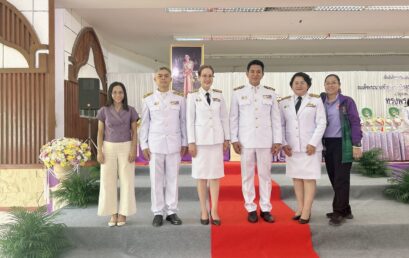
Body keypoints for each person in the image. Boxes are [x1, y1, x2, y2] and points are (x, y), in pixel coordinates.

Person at [230, 59, 282, 223]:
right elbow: (233, 118)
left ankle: (265, 208)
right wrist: (234, 139)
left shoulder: (270, 93)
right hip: (246, 141)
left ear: (263, 74)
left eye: (258, 71)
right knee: (247, 175)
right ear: (247, 74)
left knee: (266, 175)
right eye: (252, 71)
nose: (255, 74)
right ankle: (251, 207)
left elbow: (276, 118)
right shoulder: (238, 93)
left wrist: (277, 140)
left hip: (265, 140)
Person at [139, 67, 188, 227]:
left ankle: (172, 211)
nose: (163, 78)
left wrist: (184, 142)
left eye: (166, 76)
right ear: (155, 79)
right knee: (156, 179)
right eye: (160, 76)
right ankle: (158, 212)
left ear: (171, 79)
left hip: (174, 144)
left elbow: (183, 122)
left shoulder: (179, 99)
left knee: (173, 179)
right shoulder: (148, 99)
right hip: (155, 145)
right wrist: (144, 144)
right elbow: (145, 124)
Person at [279, 72, 327, 224]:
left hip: (309, 147)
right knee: (297, 178)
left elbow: (321, 123)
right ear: (291, 85)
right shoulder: (284, 102)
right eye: (296, 82)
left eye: (302, 82)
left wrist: (313, 143)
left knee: (309, 179)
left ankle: (307, 209)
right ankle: (299, 208)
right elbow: (280, 125)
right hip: (292, 148)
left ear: (308, 85)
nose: (299, 85)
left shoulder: (316, 100)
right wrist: (284, 143)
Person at [186, 65, 230, 226]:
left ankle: (215, 210)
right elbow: (190, 120)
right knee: (201, 177)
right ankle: (204, 210)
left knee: (215, 176)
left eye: (210, 76)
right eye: (204, 75)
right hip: (200, 142)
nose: (207, 78)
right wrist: (191, 141)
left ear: (213, 77)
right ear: (198, 77)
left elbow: (224, 118)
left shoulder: (219, 95)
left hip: (216, 141)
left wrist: (227, 138)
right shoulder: (192, 97)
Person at [321, 74, 363, 226]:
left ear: (339, 85)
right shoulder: (321, 101)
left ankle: (338, 212)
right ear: (324, 85)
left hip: (343, 143)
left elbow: (355, 122)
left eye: (334, 83)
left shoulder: (346, 101)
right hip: (327, 144)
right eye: (328, 83)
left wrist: (356, 144)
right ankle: (346, 208)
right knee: (334, 177)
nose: (330, 85)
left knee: (341, 178)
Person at [96, 81, 138, 227]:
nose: (118, 95)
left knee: (127, 181)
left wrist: (134, 149)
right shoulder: (103, 110)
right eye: (115, 92)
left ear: (124, 94)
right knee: (108, 181)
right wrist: (99, 151)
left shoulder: (131, 110)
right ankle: (112, 213)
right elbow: (100, 132)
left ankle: (123, 213)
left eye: (120, 92)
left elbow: (134, 132)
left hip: (126, 147)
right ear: (110, 94)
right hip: (108, 148)